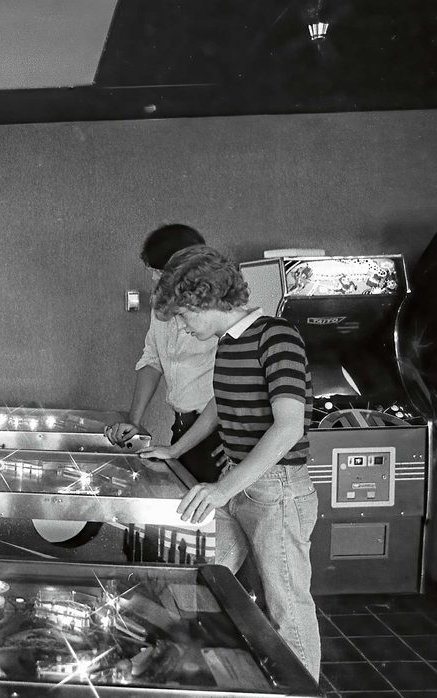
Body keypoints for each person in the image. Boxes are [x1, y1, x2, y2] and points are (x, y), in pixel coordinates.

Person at [138, 245, 321, 680]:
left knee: (287, 606)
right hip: (237, 483)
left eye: (183, 315)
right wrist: (177, 450)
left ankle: (301, 689)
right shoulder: (228, 343)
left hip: (278, 490)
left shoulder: (278, 337)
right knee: (201, 575)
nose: (180, 325)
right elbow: (219, 403)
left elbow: (288, 426)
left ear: (206, 300)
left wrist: (222, 488)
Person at [104, 224, 224, 483]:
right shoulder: (163, 306)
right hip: (183, 427)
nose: (153, 280)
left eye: (157, 273)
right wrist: (134, 421)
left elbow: (230, 387)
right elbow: (153, 358)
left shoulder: (221, 311)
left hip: (219, 433)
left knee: (213, 517)